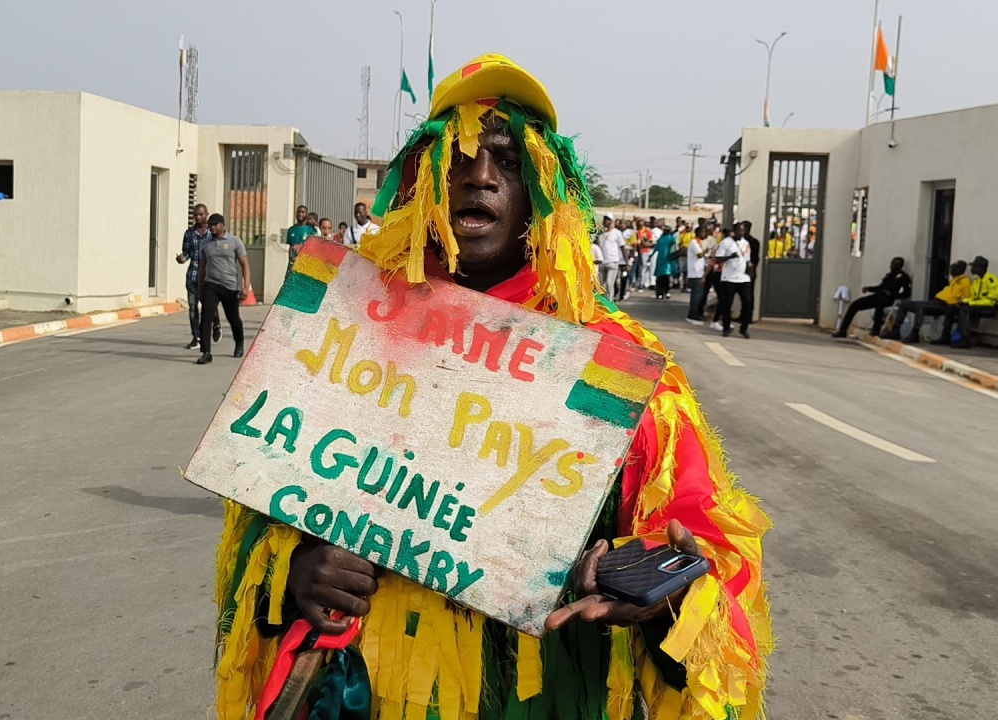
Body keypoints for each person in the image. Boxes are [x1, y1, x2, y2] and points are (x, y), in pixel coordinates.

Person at [211, 53, 771, 720]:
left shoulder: (615, 361)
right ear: (423, 182)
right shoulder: (346, 325)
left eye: (507, 161)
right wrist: (293, 572)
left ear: (543, 191)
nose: (479, 176)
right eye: (461, 157)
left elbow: (703, 540)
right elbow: (257, 517)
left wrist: (668, 588)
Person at [195, 214, 251, 364]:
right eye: (210, 225)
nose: (212, 228)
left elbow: (244, 264)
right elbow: (202, 268)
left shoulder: (234, 241)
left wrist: (246, 287)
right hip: (211, 284)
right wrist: (200, 288)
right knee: (206, 317)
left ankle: (239, 343)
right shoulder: (205, 244)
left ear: (223, 225)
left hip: (230, 286)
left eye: (215, 225)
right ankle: (206, 352)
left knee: (233, 319)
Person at [881, 260, 969, 344]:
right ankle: (896, 329)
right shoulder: (953, 281)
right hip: (935, 301)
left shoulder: (965, 282)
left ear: (960, 270)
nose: (951, 270)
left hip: (945, 305)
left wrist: (955, 304)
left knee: (920, 307)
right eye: (951, 268)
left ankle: (915, 333)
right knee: (904, 304)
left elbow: (966, 298)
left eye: (954, 268)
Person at [932, 255, 998, 349]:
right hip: (978, 306)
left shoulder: (993, 281)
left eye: (974, 266)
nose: (971, 269)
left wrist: (970, 303)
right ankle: (945, 336)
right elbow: (972, 298)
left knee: (965, 310)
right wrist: (964, 301)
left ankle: (965, 339)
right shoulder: (976, 281)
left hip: (991, 308)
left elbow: (991, 301)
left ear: (980, 268)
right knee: (951, 307)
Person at [831, 256, 912, 338]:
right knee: (855, 305)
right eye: (891, 264)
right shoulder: (889, 276)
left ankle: (876, 329)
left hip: (890, 300)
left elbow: (906, 294)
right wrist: (869, 289)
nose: (890, 266)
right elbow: (880, 287)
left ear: (899, 266)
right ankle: (842, 330)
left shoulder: (904, 278)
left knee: (879, 304)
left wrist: (891, 294)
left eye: (893, 265)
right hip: (878, 296)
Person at [176, 202, 218, 350]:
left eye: (201, 214)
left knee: (209, 305)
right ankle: (197, 337)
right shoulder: (189, 233)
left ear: (206, 215)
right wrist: (181, 258)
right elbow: (186, 253)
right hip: (193, 275)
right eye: (195, 215)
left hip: (209, 276)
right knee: (193, 307)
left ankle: (216, 325)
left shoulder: (213, 234)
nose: (198, 217)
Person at [714, 221, 753, 338]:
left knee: (747, 302)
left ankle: (744, 328)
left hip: (743, 278)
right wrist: (730, 256)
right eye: (739, 230)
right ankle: (726, 327)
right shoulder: (726, 243)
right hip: (729, 278)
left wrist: (750, 271)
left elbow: (747, 259)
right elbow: (718, 259)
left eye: (743, 230)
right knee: (727, 304)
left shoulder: (746, 243)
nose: (741, 232)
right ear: (734, 231)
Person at [685, 224, 712, 324]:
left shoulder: (700, 243)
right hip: (695, 273)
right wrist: (708, 251)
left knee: (700, 295)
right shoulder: (694, 242)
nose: (705, 234)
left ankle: (697, 313)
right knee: (696, 296)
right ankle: (692, 315)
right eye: (703, 232)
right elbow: (700, 254)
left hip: (700, 272)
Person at [647, 224, 677, 299]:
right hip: (661, 259)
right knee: (660, 277)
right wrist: (651, 255)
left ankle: (667, 291)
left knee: (666, 276)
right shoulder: (661, 238)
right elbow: (656, 247)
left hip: (667, 259)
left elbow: (674, 246)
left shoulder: (671, 238)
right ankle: (659, 292)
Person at [740, 221, 761, 319]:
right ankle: (742, 315)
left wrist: (751, 270)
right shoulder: (739, 241)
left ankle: (748, 316)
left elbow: (755, 259)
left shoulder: (753, 242)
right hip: (738, 271)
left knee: (748, 296)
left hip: (748, 272)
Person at [286, 205, 314, 271]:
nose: (300, 214)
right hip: (293, 265)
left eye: (303, 212)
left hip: (305, 265)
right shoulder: (291, 230)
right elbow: (290, 247)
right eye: (298, 212)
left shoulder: (311, 230)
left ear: (307, 214)